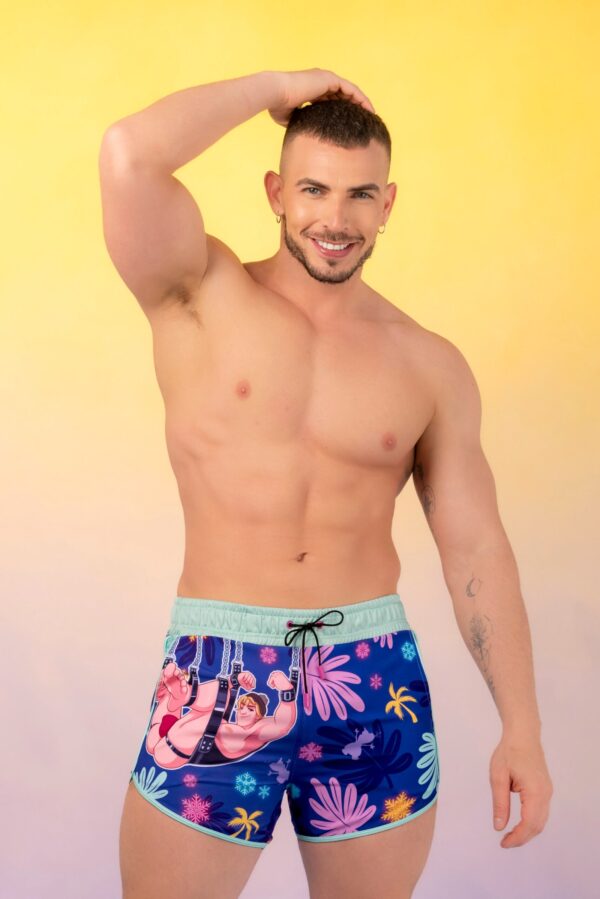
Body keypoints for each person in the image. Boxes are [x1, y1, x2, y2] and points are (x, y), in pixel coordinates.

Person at [99, 68, 553, 899]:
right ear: (276, 193)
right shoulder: (200, 293)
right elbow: (129, 153)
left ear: (388, 204)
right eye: (313, 189)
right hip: (220, 670)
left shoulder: (429, 365)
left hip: (373, 677)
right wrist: (276, 86)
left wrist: (521, 725)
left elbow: (476, 548)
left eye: (359, 195)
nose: (335, 220)